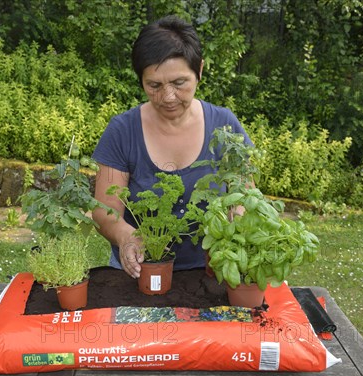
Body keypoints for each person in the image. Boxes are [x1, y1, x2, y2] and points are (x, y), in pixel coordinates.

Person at [92, 15, 253, 278]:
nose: (168, 97)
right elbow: (104, 211)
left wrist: (233, 230)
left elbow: (245, 197)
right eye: (154, 85)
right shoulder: (122, 131)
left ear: (199, 70)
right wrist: (125, 235)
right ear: (141, 80)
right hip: (139, 273)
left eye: (179, 83)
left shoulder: (225, 127)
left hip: (213, 273)